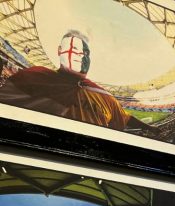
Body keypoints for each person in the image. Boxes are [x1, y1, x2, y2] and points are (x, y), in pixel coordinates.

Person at [0, 31, 150, 132]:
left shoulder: (105, 96)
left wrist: (150, 129)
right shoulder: (33, 76)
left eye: (86, 53)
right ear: (59, 51)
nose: (81, 56)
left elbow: (125, 118)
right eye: (74, 50)